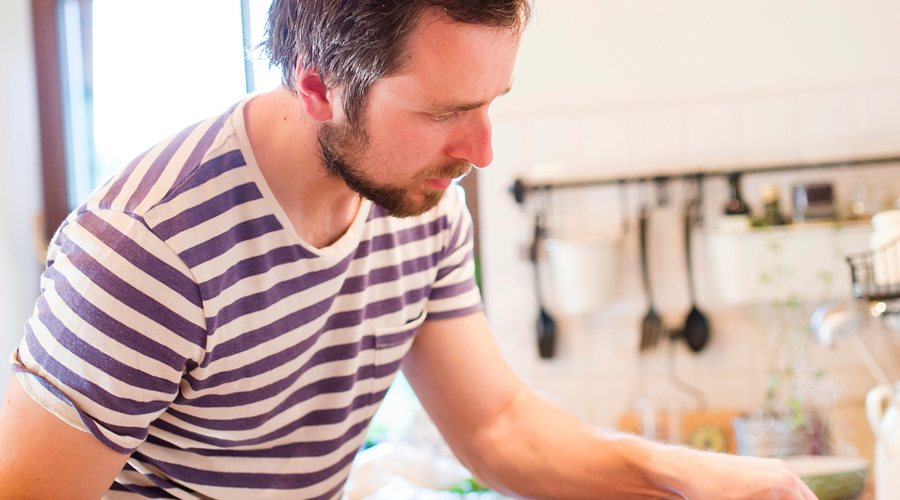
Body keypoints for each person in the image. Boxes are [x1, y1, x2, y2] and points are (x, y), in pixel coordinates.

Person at [0, 1, 819, 499]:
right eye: (443, 112)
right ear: (316, 86)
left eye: (493, 101)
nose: (482, 150)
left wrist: (685, 476)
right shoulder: (146, 252)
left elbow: (497, 426)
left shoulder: (418, 202)